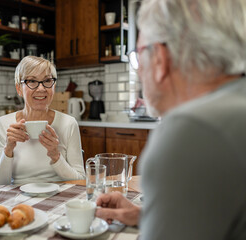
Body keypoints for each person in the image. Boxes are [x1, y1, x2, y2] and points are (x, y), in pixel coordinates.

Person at [96, 0, 246, 239]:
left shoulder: (191, 130)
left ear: (159, 58)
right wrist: (144, 216)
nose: (138, 70)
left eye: (138, 54)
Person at [0, 56, 85, 185]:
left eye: (47, 81)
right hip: (18, 199)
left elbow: (80, 181)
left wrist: (56, 156)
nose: (41, 89)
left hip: (59, 197)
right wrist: (8, 149)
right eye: (32, 81)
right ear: (19, 89)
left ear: (54, 86)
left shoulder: (69, 124)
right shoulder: (3, 124)